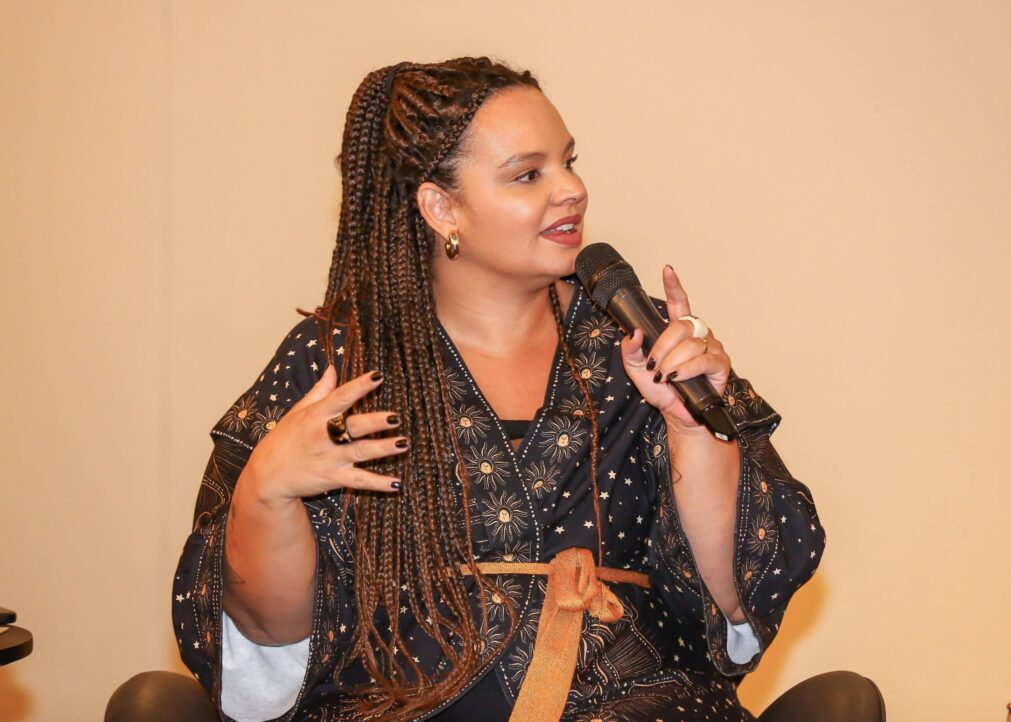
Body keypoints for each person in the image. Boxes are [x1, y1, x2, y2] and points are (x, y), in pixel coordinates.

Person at [173, 57, 825, 722]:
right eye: (528, 174)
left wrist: (693, 428)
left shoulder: (641, 344)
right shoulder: (338, 363)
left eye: (569, 162)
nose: (572, 190)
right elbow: (273, 649)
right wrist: (266, 492)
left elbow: (734, 605)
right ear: (440, 207)